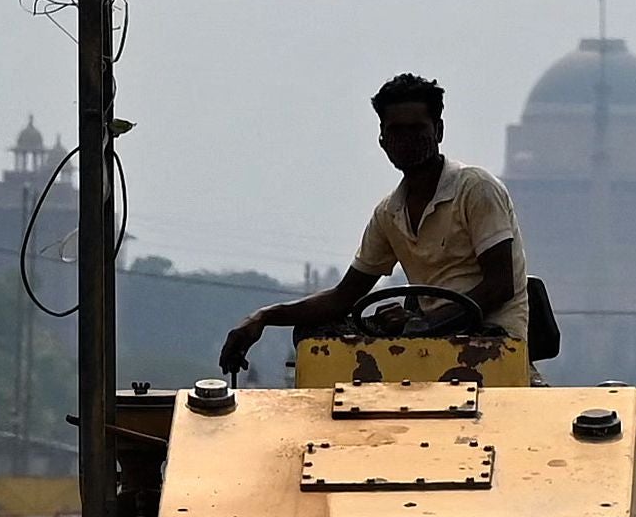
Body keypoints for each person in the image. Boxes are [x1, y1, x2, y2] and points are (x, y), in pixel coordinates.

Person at [219, 73, 528, 376]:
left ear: (439, 131)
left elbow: (500, 285)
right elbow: (344, 296)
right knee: (315, 331)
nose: (406, 141)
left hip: (493, 337)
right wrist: (263, 317)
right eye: (396, 131)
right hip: (426, 341)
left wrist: (421, 325)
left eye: (417, 129)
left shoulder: (475, 189)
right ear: (382, 139)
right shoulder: (389, 214)